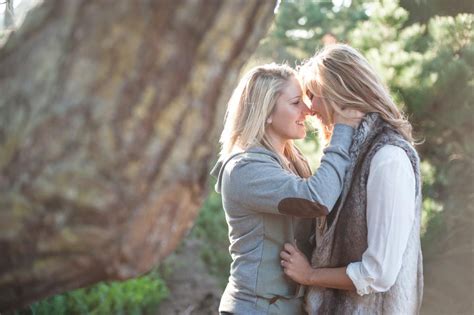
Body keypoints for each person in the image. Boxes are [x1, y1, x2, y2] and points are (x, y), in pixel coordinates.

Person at [280, 44, 423, 314]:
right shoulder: (353, 156)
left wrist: (310, 275)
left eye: (313, 95)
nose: (310, 109)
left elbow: (379, 272)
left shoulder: (388, 158)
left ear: (339, 93)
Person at [210, 63, 363, 315]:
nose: (308, 109)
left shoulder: (292, 159)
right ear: (266, 112)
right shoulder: (245, 169)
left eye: (305, 100)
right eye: (295, 103)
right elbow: (318, 199)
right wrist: (343, 129)